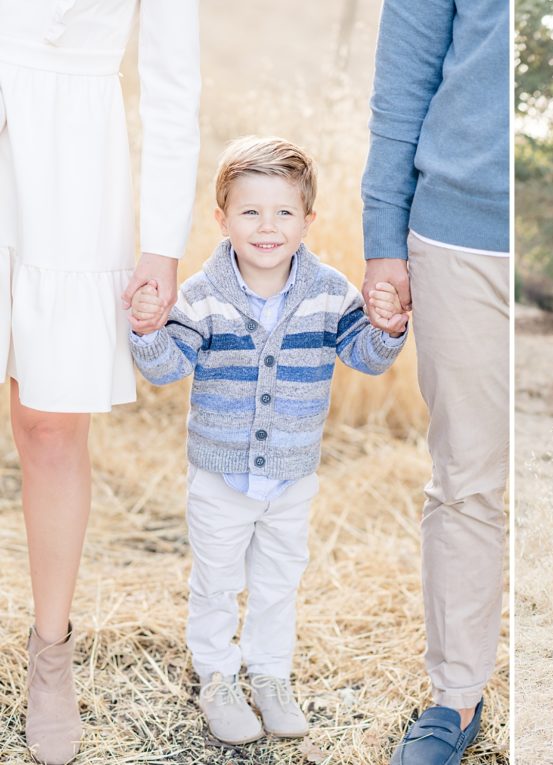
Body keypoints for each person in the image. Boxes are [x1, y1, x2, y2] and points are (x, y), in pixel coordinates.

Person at [129, 136, 408, 744]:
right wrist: (148, 331)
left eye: (284, 212)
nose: (267, 227)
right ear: (221, 218)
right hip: (219, 476)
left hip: (291, 475)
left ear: (309, 219)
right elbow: (165, 367)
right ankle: (218, 678)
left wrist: (387, 327)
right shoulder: (201, 297)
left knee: (280, 582)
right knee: (217, 583)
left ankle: (270, 676)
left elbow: (365, 356)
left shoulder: (330, 291)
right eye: (250, 212)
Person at [0, 2, 199, 761]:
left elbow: (174, 82)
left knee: (51, 422)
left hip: (77, 162)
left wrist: (162, 243)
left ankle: (51, 654)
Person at [359, 1, 509, 763]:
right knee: (466, 477)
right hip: (460, 230)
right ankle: (456, 699)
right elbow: (405, 73)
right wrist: (383, 233)